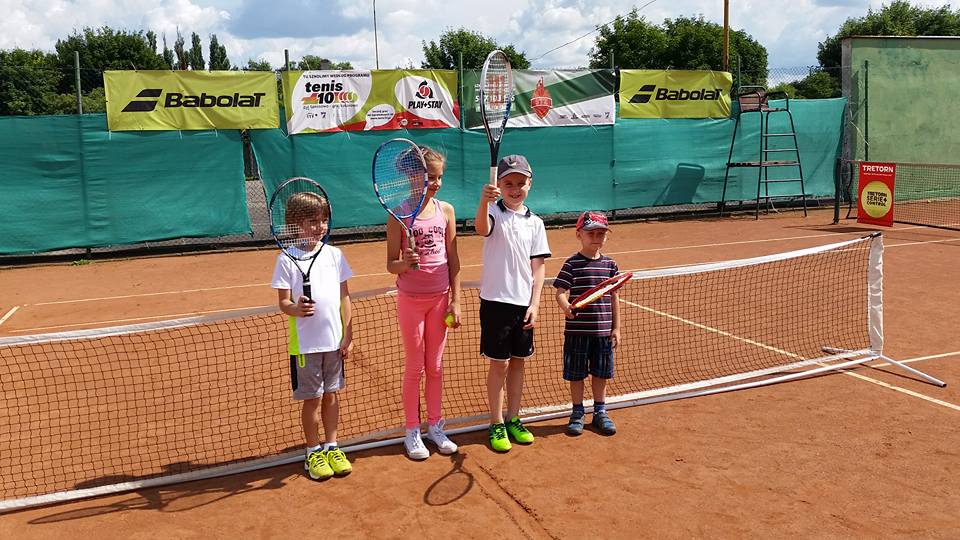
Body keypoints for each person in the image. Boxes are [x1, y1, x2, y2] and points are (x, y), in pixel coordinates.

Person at [271, 191, 354, 480]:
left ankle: (332, 446)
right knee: (313, 399)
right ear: (295, 225)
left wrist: (348, 334)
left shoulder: (335, 255)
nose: (320, 227)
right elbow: (283, 303)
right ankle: (312, 451)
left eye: (323, 220)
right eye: (312, 221)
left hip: (334, 342)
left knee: (332, 395)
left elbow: (344, 297)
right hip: (305, 346)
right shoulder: (286, 259)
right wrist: (295, 308)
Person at [386, 145, 462, 460]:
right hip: (411, 301)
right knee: (415, 366)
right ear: (412, 175)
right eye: (431, 177)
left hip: (440, 300)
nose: (437, 183)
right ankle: (412, 431)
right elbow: (390, 264)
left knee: (436, 366)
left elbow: (454, 259)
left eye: (440, 177)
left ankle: (435, 426)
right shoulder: (398, 214)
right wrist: (404, 263)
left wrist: (456, 300)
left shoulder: (446, 211)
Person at [474, 154, 551, 452]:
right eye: (508, 184)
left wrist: (535, 304)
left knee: (519, 363)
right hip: (496, 303)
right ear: (499, 185)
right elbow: (481, 228)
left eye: (521, 183)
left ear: (530, 184)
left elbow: (538, 268)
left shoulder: (536, 223)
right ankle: (495, 422)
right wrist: (484, 201)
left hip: (524, 305)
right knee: (500, 365)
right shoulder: (494, 212)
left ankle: (513, 419)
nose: (515, 189)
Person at [553, 211, 620, 436]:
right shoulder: (571, 264)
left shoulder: (610, 265)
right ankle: (577, 412)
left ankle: (600, 411)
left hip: (603, 333)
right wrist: (566, 307)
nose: (596, 237)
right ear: (578, 235)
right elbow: (560, 292)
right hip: (577, 333)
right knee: (576, 374)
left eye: (601, 234)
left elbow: (614, 298)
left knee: (601, 373)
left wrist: (616, 328)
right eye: (590, 233)